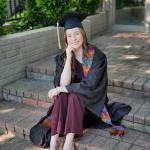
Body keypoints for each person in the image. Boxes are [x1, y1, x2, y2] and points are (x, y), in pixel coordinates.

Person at [30, 12, 131, 150]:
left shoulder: (96, 57)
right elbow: (63, 84)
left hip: (90, 104)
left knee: (73, 95)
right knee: (63, 95)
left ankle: (68, 141)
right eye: (69, 35)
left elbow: (90, 85)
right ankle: (54, 142)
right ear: (65, 39)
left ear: (83, 34)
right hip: (68, 108)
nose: (74, 38)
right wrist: (69, 58)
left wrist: (60, 89)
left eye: (76, 33)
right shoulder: (62, 59)